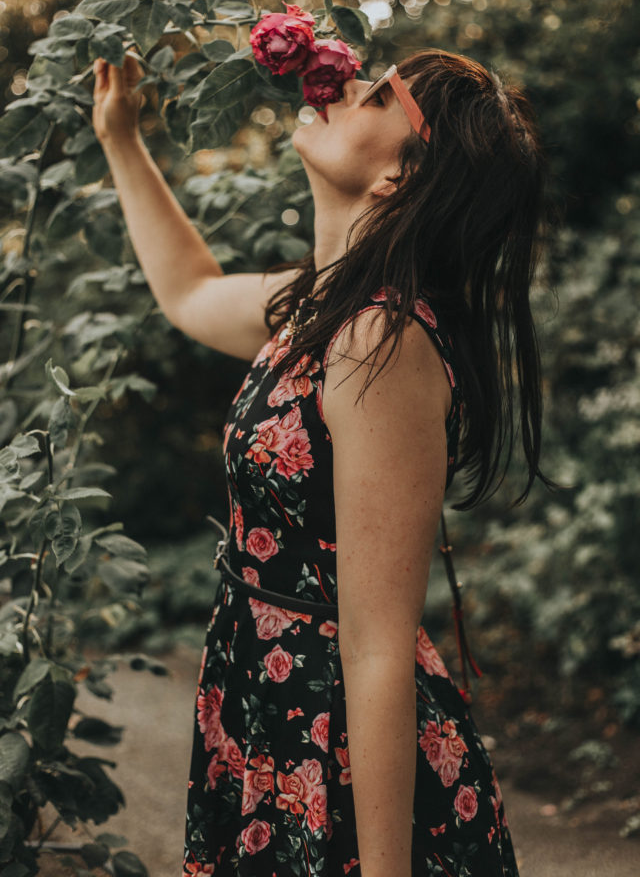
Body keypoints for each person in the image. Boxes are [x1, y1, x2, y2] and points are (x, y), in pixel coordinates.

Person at [93, 46, 556, 877]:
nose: (340, 84)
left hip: (334, 749)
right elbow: (191, 293)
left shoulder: (380, 342)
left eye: (378, 95)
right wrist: (121, 139)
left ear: (400, 180)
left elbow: (379, 645)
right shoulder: (319, 305)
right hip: (270, 714)